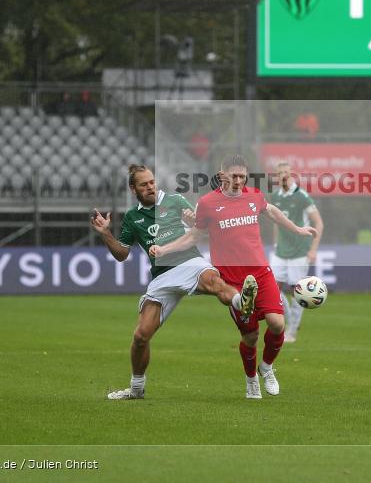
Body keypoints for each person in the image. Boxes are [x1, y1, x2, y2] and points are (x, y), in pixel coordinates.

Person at [151, 155, 317, 399]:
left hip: (260, 273)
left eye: (242, 176)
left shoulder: (254, 195)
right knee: (250, 336)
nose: (239, 181)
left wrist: (297, 229)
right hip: (232, 282)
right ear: (223, 175)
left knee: (277, 324)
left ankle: (266, 367)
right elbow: (193, 236)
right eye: (234, 176)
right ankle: (251, 380)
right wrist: (164, 250)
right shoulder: (208, 203)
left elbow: (271, 211)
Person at [92, 164, 257, 400]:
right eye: (144, 185)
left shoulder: (175, 201)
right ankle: (136, 389)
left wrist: (193, 219)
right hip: (162, 276)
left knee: (213, 281)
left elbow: (201, 227)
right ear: (133, 189)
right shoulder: (132, 217)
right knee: (141, 336)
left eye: (152, 182)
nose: (150, 187)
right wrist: (106, 233)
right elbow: (121, 254)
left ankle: (242, 302)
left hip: (189, 262)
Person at [268, 161, 324, 343]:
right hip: (280, 252)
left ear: (291, 174)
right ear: (276, 177)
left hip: (300, 251)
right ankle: (288, 322)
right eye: (279, 173)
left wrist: (313, 249)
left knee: (297, 292)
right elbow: (276, 222)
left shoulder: (302, 196)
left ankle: (292, 331)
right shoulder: (275, 196)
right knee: (272, 289)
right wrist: (275, 244)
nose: (283, 175)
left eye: (286, 172)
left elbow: (319, 223)